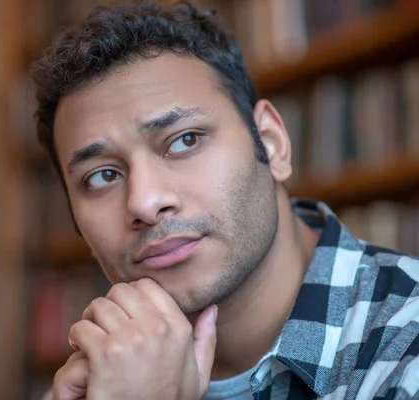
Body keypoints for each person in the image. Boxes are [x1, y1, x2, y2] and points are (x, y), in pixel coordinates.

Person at [30, 1, 419, 399]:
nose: (145, 202)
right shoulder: (96, 374)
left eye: (184, 141)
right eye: (102, 176)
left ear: (272, 143)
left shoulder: (407, 346)